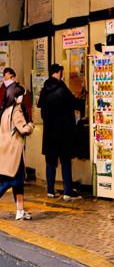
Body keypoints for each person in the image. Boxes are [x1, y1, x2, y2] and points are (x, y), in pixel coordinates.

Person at [0, 83, 34, 220]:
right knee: (12, 181)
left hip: (6, 150)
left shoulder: (4, 110)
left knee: (17, 181)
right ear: (16, 97)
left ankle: (20, 211)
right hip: (13, 152)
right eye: (21, 95)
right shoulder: (16, 110)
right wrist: (31, 126)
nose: (23, 98)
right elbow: (23, 129)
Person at [38, 64, 82, 201]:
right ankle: (67, 192)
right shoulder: (62, 88)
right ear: (58, 72)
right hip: (63, 132)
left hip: (49, 133)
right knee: (65, 162)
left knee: (50, 162)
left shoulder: (45, 89)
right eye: (61, 72)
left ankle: (50, 191)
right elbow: (74, 103)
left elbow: (42, 110)